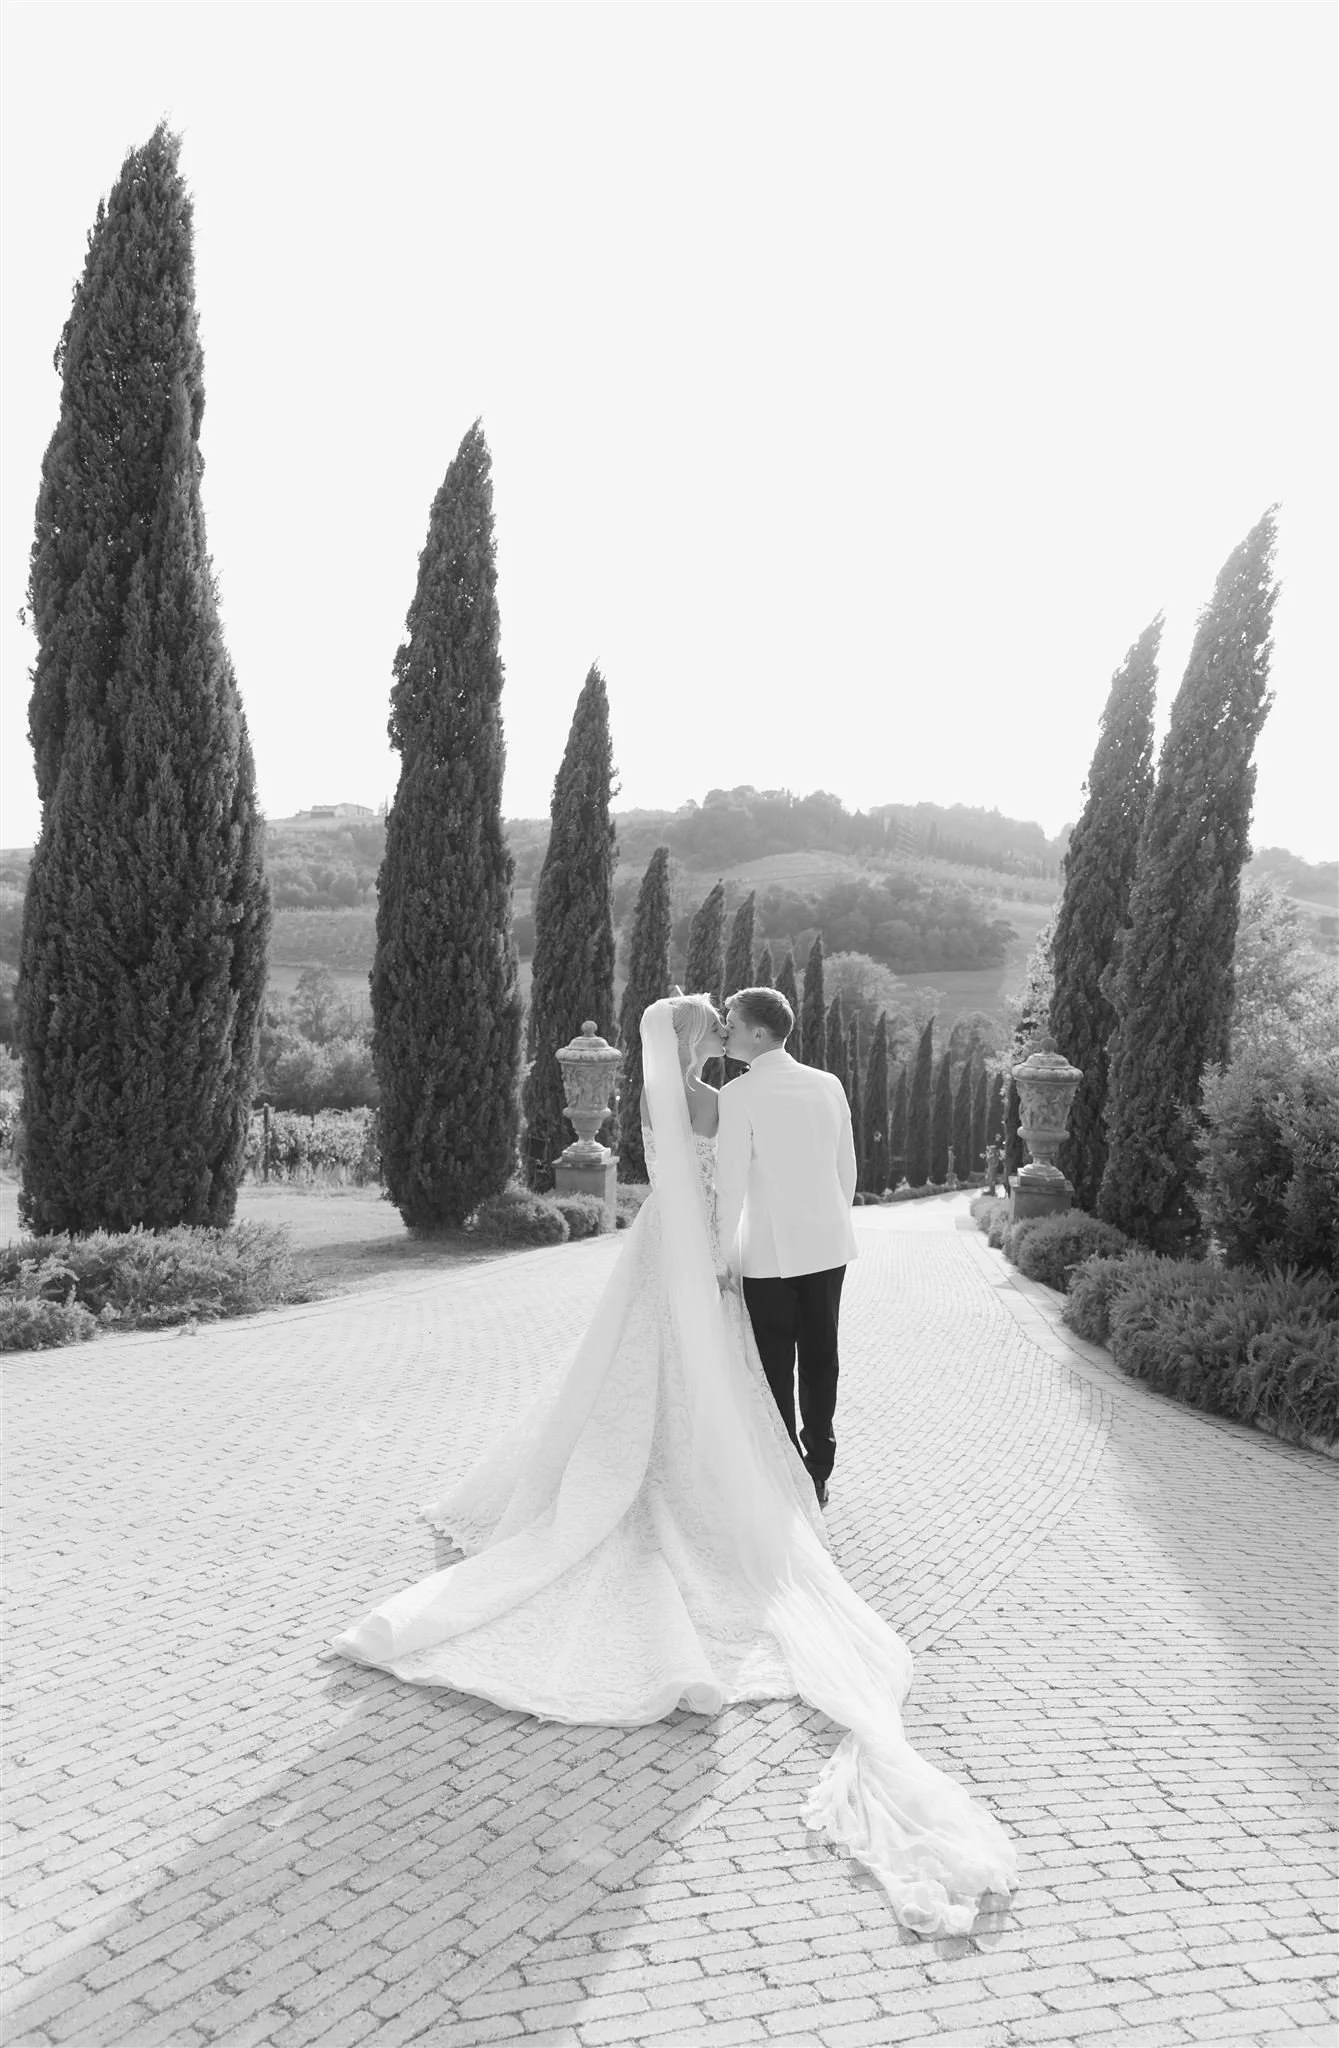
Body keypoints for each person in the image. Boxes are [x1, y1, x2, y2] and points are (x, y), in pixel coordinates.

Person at [332, 995, 1015, 1935]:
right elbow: (829, 1165)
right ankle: (799, 1469)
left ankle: (745, 1469)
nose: (720, 1038)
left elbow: (720, 1176)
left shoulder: (697, 1098)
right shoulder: (791, 1088)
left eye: (725, 1028)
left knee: (687, 1370)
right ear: (705, 1039)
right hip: (797, 1247)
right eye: (711, 1030)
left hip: (693, 1249)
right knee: (783, 1368)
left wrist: (728, 1251)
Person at [715, 986, 855, 1509]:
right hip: (827, 1245)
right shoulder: (829, 1084)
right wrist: (830, 1224)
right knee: (823, 1358)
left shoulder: (738, 1094)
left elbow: (729, 1185)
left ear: (757, 1031)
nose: (724, 1028)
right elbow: (848, 1167)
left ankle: (784, 1469)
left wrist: (717, 1251)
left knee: (775, 1363)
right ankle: (818, 1471)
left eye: (730, 1019)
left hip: (769, 1252)